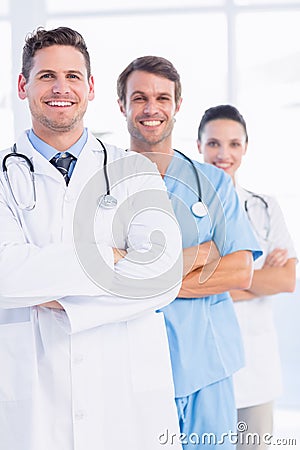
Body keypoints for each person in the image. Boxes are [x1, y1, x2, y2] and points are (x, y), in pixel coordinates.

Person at [0, 27, 184, 450]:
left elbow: (162, 277)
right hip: (33, 406)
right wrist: (111, 256)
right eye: (46, 76)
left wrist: (44, 288)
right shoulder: (3, 177)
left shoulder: (134, 171)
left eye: (73, 76)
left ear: (92, 87)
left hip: (126, 404)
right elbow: (6, 276)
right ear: (23, 85)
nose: (61, 88)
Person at [117, 56, 262, 449]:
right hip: (130, 368)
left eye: (162, 97)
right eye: (140, 97)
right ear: (122, 105)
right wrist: (201, 253)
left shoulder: (212, 182)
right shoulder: (105, 183)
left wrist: (144, 277)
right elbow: (103, 276)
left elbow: (240, 272)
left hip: (207, 366)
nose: (152, 108)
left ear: (177, 105)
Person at [197, 104, 297, 449]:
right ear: (199, 146)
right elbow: (185, 286)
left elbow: (286, 280)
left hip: (257, 369)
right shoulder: (184, 208)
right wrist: (258, 275)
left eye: (234, 144)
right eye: (213, 144)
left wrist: (221, 278)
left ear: (245, 148)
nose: (224, 154)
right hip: (204, 368)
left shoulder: (264, 205)